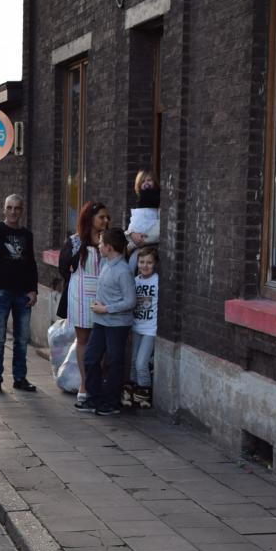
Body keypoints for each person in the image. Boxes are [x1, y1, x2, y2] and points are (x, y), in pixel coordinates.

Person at [0, 187, 39, 394]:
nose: (12, 212)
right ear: (4, 210)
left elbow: (31, 264)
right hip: (1, 291)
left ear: (21, 212)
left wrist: (33, 290)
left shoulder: (26, 235)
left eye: (16, 208)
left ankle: (20, 378)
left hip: (22, 294)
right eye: (9, 208)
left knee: (21, 339)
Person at [78, 227, 135, 416]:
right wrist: (99, 304)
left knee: (114, 361)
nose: (99, 245)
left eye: (101, 243)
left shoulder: (123, 271)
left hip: (117, 324)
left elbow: (130, 301)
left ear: (109, 247)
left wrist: (107, 308)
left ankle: (111, 403)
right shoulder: (105, 262)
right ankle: (94, 398)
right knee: (91, 358)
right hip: (101, 321)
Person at [59, 201, 110, 408]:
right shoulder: (75, 241)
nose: (105, 221)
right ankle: (84, 383)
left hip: (104, 295)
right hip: (81, 294)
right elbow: (64, 268)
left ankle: (98, 381)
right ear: (90, 219)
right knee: (83, 340)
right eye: (102, 218)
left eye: (108, 218)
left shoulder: (110, 241)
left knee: (103, 341)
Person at [129, 247, 159, 409]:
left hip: (150, 329)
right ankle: (134, 393)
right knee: (133, 362)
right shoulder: (135, 281)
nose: (145, 265)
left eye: (149, 262)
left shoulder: (157, 281)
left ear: (155, 264)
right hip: (136, 327)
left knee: (141, 363)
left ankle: (145, 394)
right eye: (142, 262)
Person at [126, 170, 160, 273]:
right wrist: (131, 233)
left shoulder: (158, 202)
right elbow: (135, 223)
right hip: (137, 239)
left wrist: (142, 240)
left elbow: (157, 230)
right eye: (143, 181)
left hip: (147, 243)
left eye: (149, 180)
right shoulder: (140, 202)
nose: (146, 183)